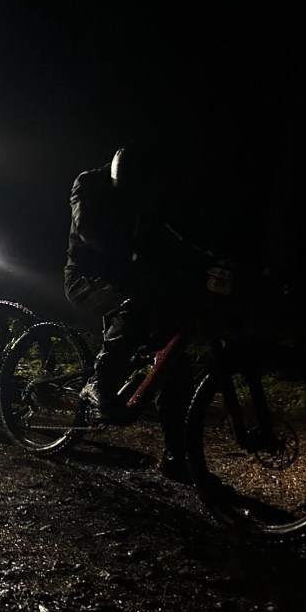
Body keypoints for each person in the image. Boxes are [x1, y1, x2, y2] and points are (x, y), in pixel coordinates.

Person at [63, 143, 201, 483]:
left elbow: (165, 233)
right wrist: (129, 259)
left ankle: (175, 455)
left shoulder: (141, 192)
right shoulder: (88, 184)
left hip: (129, 280)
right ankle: (100, 382)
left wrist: (202, 257)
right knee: (134, 306)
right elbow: (87, 229)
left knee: (173, 359)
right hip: (86, 279)